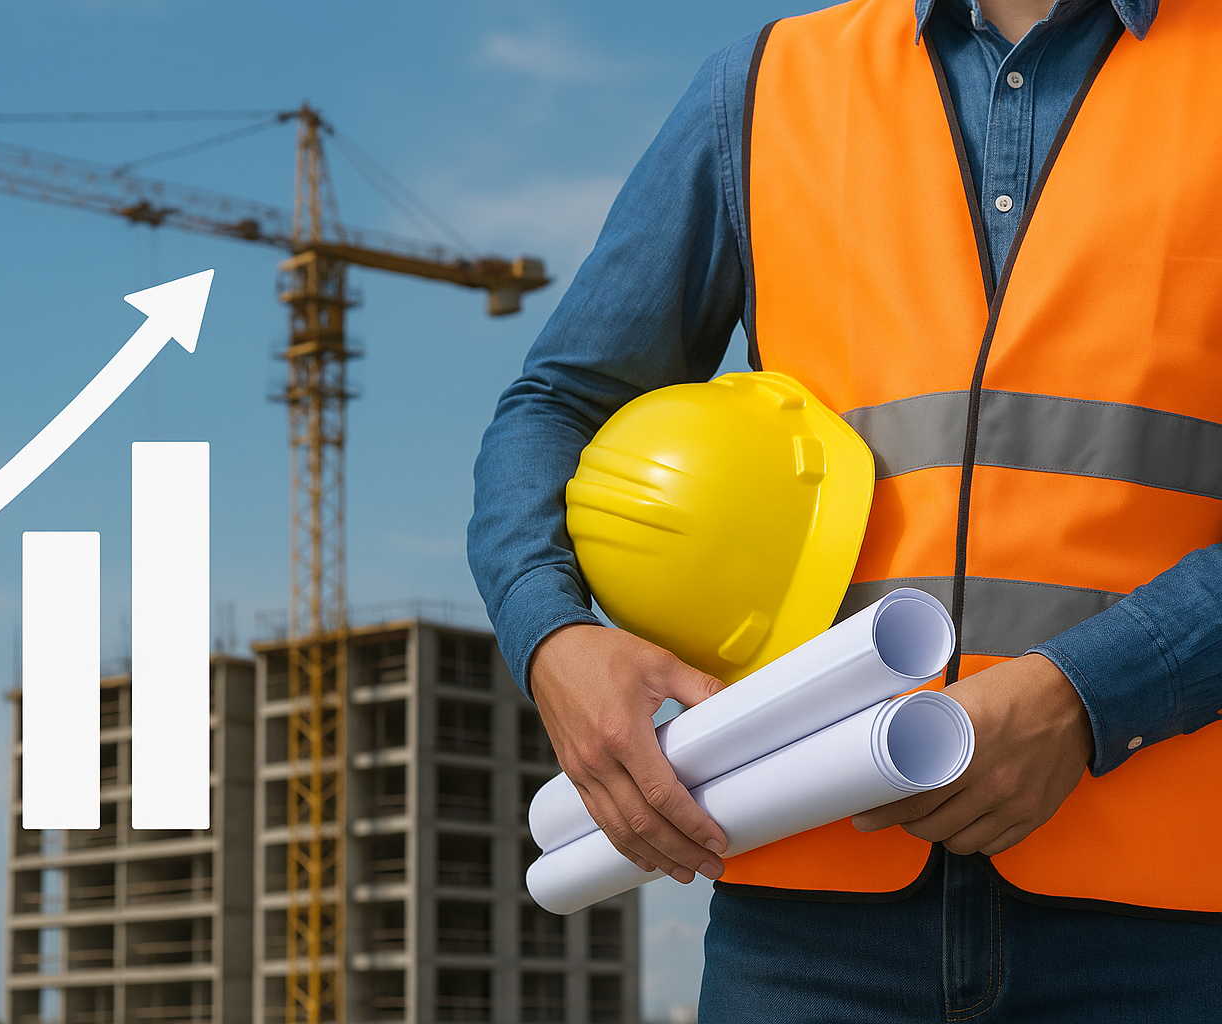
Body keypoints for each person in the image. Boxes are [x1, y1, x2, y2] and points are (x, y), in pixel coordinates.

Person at [468, 0, 1222, 1020]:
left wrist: (1086, 697)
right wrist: (552, 635)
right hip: (806, 920)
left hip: (1170, 925)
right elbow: (557, 404)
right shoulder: (767, 86)